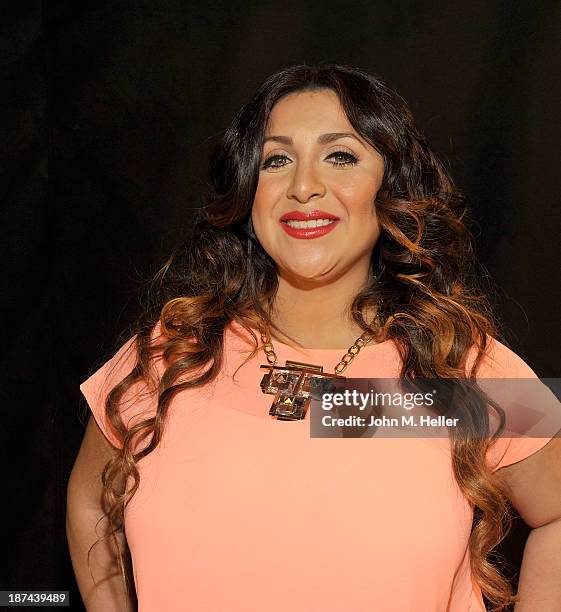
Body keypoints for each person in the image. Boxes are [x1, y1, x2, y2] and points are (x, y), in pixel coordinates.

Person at [66, 64, 561, 611]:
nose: (304, 186)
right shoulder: (176, 352)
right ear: (249, 192)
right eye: (276, 160)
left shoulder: (454, 365)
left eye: (341, 156)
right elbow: (90, 503)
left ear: (391, 187)